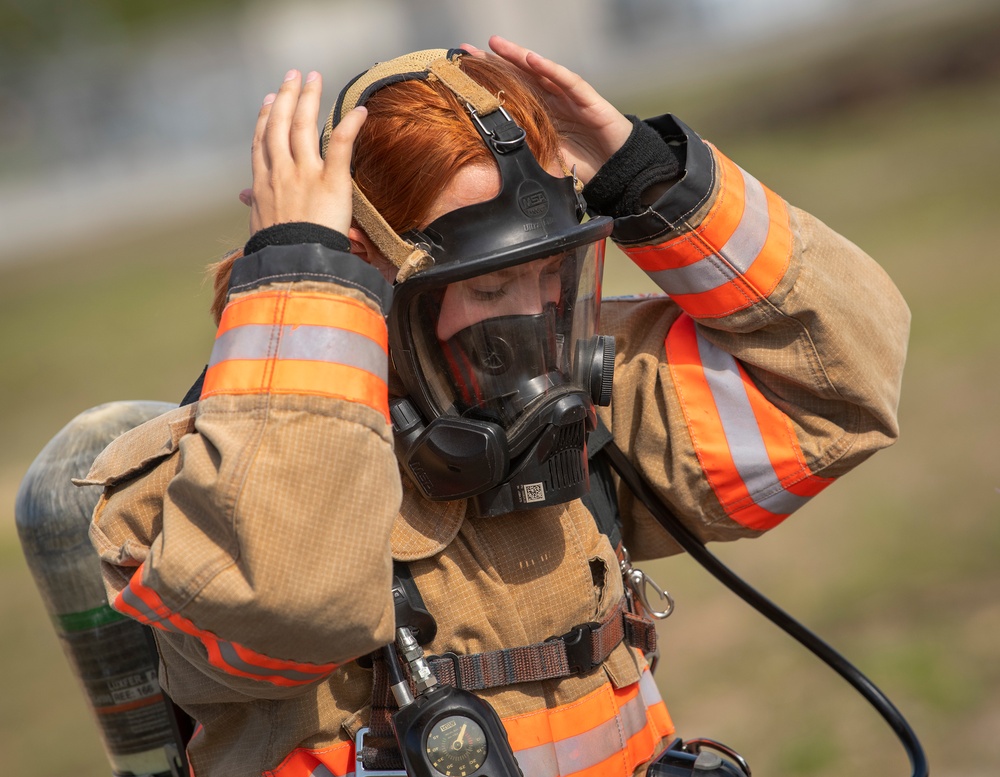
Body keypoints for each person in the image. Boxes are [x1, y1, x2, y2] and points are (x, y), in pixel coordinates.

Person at [82, 36, 910, 777]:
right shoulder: (203, 492)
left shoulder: (583, 427)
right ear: (374, 279)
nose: (536, 324)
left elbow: (838, 388)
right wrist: (304, 280)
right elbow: (291, 601)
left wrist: (653, 180)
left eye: (553, 276)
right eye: (488, 286)